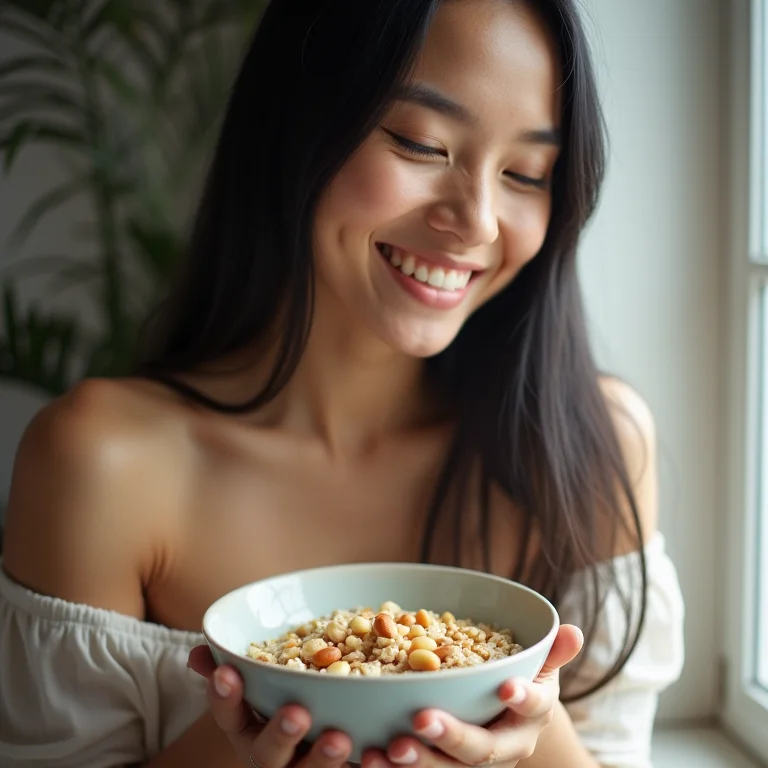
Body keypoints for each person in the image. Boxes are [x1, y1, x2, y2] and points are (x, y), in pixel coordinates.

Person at [0, 0, 685, 766]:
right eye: (421, 143)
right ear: (295, 123)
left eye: (526, 172)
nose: (479, 221)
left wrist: (527, 723)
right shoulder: (101, 463)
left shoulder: (587, 448)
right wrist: (248, 740)